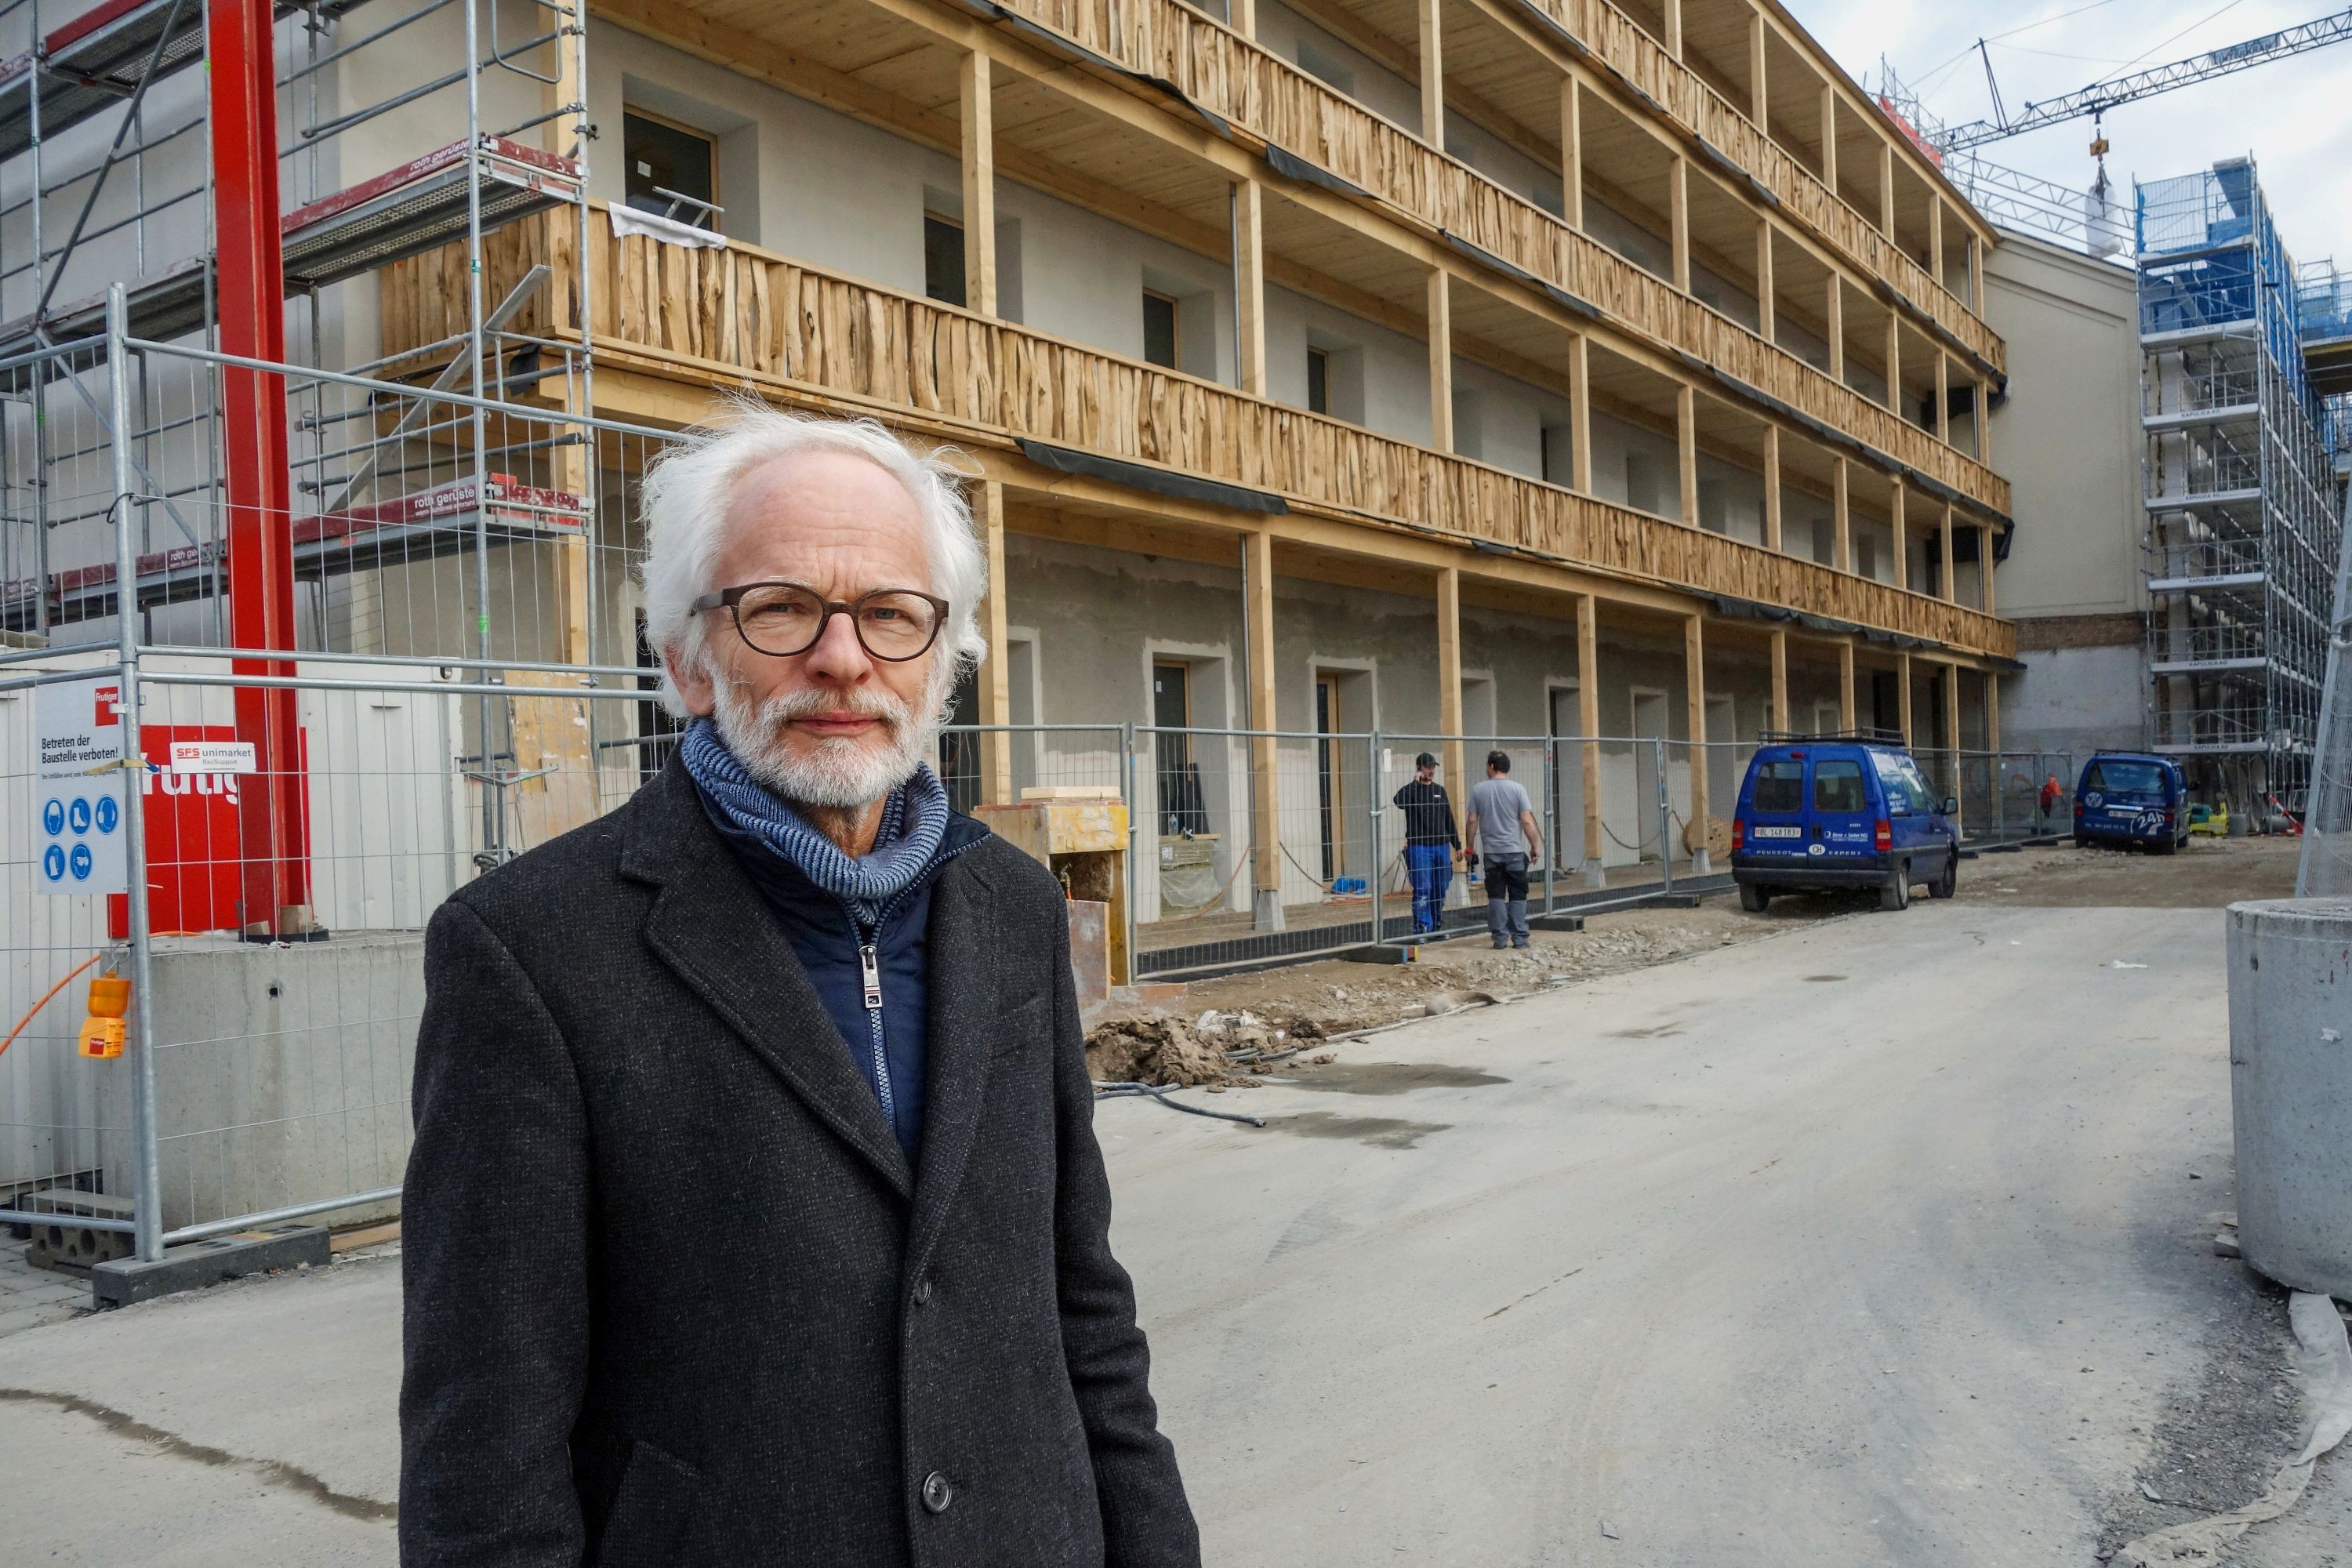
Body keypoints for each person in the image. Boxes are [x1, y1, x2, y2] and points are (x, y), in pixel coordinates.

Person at [400, 406, 1200, 1567]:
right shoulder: (528, 951)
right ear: (683, 656)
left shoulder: (1017, 912)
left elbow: (1083, 1306)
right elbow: (485, 1440)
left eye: (891, 613)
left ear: (944, 661)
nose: (843, 656)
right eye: (780, 607)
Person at [1465, 750, 1542, 949]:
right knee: (1518, 894)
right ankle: (1520, 938)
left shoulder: (1478, 790)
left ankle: (1499, 939)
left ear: (1491, 766)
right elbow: (1526, 820)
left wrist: (1470, 847)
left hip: (1492, 853)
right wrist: (1535, 846)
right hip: (1514, 852)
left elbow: (1472, 819)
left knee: (1496, 895)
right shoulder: (1518, 789)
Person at [1390, 750, 1461, 935]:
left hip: (1440, 846)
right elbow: (1399, 801)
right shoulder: (1411, 791)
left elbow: (1449, 819)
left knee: (1440, 887)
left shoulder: (1439, 791)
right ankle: (1422, 928)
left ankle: (1437, 925)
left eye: (1433, 767)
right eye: (1428, 767)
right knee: (1423, 889)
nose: (1431, 770)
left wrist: (1457, 844)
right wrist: (1416, 782)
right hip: (1420, 847)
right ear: (1420, 767)